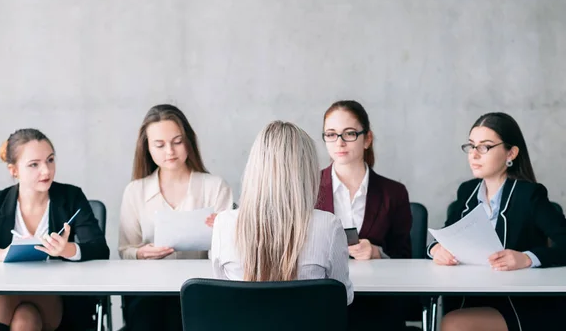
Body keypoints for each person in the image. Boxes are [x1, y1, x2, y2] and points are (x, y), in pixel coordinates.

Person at [430, 112, 566, 331]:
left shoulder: (529, 195)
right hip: (472, 296)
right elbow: (444, 234)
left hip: (519, 303)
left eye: (484, 147)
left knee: (453, 324)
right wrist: (436, 249)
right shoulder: (467, 191)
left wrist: (526, 258)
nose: (474, 155)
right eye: (471, 146)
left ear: (510, 153)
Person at [0, 128, 109, 331]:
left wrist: (66, 250)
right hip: (10, 301)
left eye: (50, 160)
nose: (46, 170)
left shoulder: (71, 197)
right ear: (13, 170)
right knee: (24, 320)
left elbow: (100, 248)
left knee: (8, 295)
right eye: (34, 164)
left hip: (59, 300)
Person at [211, 120, 353, 304]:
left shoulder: (224, 223)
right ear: (307, 170)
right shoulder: (329, 225)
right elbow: (343, 297)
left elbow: (221, 293)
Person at [119, 104, 233, 330]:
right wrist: (141, 253)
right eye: (159, 145)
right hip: (149, 290)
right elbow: (125, 249)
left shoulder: (214, 187)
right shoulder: (135, 191)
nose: (169, 151)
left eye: (177, 142)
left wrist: (220, 232)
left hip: (200, 288)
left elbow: (230, 255)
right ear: (147, 148)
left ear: (189, 141)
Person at [316, 100, 412, 330]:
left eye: (349, 133)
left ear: (367, 139)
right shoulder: (308, 187)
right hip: (322, 298)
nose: (339, 142)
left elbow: (406, 257)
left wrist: (378, 253)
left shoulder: (393, 193)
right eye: (331, 134)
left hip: (377, 301)